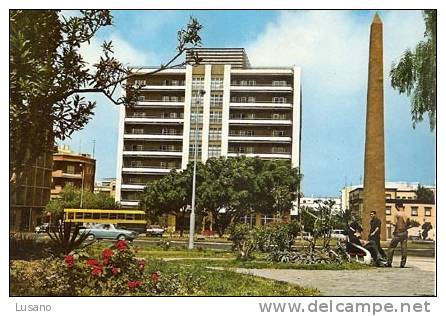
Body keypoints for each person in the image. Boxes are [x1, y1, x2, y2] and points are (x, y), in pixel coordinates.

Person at [386, 203, 410, 268]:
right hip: (405, 233)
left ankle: (389, 262)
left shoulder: (397, 214)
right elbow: (408, 224)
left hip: (398, 233)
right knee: (404, 249)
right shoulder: (407, 214)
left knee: (391, 247)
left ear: (397, 207)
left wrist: (391, 223)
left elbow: (395, 224)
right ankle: (402, 263)